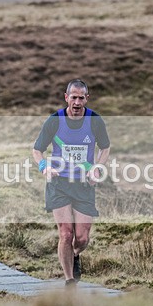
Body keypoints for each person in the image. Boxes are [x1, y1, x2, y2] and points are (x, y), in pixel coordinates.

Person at [32, 78, 111, 287]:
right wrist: (44, 167)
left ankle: (75, 254)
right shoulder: (54, 121)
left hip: (84, 185)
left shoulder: (94, 120)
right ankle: (70, 281)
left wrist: (97, 168)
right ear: (66, 98)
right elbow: (37, 150)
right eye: (73, 97)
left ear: (87, 98)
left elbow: (105, 148)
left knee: (81, 238)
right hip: (59, 184)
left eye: (81, 98)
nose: (77, 102)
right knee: (66, 233)